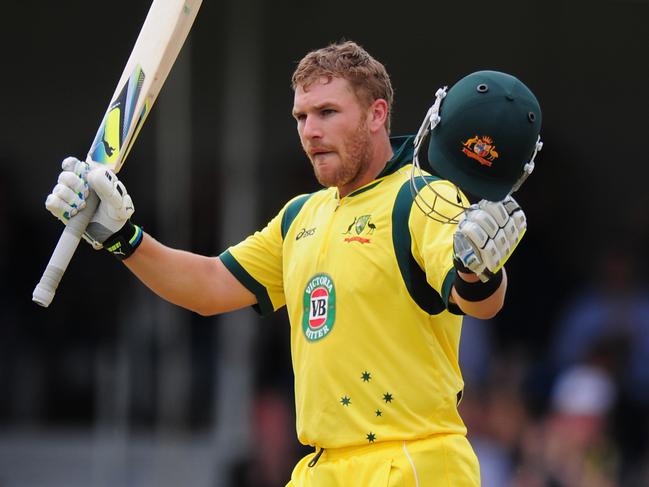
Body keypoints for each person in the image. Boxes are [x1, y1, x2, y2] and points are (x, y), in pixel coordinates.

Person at [45, 41, 542, 486]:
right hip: (321, 467)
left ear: (376, 114)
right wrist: (119, 236)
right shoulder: (301, 215)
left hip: (411, 462)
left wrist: (481, 272)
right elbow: (209, 286)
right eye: (301, 117)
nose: (311, 131)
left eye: (327, 112)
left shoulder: (423, 196)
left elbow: (477, 301)